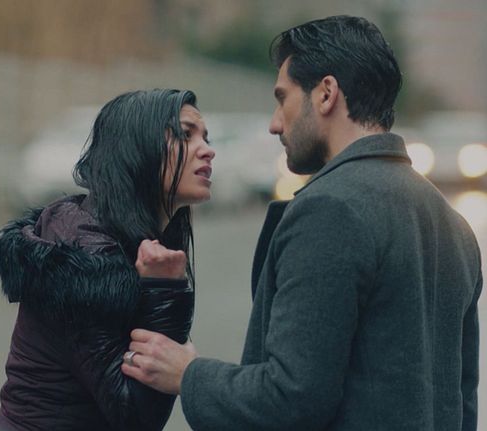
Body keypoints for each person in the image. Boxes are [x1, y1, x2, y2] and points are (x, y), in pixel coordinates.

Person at [122, 15, 483, 430]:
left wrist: (189, 374)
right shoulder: (454, 225)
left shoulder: (331, 209)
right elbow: (462, 403)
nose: (275, 123)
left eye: (283, 98)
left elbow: (289, 399)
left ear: (326, 93)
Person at [0, 89, 215, 430]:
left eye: (205, 137)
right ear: (137, 148)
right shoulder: (87, 259)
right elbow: (135, 416)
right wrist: (164, 289)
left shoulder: (123, 238)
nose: (207, 149)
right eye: (186, 135)